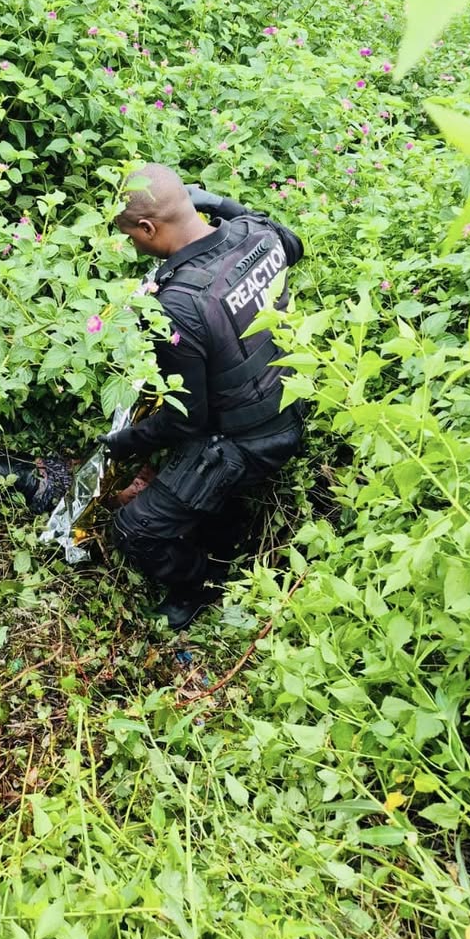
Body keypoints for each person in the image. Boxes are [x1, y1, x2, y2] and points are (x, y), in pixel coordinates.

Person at [98, 163, 305, 630]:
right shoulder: (254, 231)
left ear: (148, 228)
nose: (135, 244)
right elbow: (294, 242)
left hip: (250, 439)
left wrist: (126, 443)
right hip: (291, 394)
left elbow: (187, 421)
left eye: (133, 235)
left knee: (135, 530)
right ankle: (220, 518)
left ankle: (200, 585)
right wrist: (214, 203)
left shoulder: (176, 305)